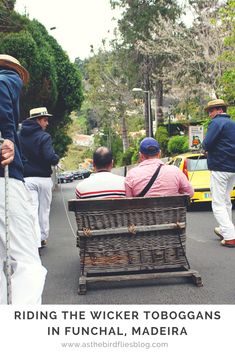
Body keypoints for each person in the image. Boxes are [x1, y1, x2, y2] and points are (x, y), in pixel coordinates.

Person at [0, 54, 47, 304]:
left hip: (22, 180)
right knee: (25, 260)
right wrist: (6, 137)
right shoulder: (8, 76)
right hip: (7, 179)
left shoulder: (25, 131)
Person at [18, 107, 59, 248]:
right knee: (44, 210)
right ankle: (42, 237)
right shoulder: (44, 137)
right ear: (37, 120)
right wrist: (56, 158)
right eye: (45, 120)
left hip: (26, 179)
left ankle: (33, 240)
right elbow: (50, 157)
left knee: (31, 210)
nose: (47, 123)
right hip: (43, 179)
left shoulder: (19, 136)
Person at [202, 99, 235, 247]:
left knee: (218, 203)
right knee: (226, 200)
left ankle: (230, 236)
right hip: (232, 168)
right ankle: (224, 230)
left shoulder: (216, 123)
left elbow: (207, 143)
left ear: (219, 110)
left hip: (220, 167)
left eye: (211, 110)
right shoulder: (233, 124)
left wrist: (205, 148)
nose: (210, 114)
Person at [125, 137, 194, 198]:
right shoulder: (175, 171)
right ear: (159, 153)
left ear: (141, 155)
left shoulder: (131, 175)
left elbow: (129, 201)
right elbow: (190, 193)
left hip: (143, 213)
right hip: (171, 212)